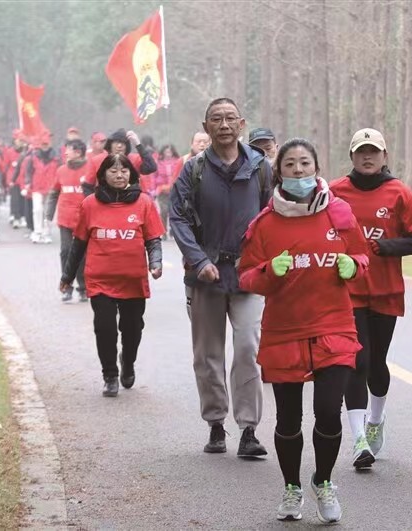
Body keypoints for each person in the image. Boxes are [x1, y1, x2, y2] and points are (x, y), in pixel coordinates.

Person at [239, 138, 368, 523]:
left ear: (316, 167)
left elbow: (362, 255)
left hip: (334, 326)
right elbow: (245, 276)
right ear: (279, 172)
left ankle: (323, 481)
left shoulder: (340, 212)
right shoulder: (264, 223)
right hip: (285, 331)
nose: (298, 171)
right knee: (289, 419)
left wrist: (355, 266)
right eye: (290, 165)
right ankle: (292, 487)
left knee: (329, 412)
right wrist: (267, 272)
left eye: (305, 164)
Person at [169, 97, 271, 457]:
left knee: (247, 348)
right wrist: (198, 261)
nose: (224, 125)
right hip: (205, 277)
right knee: (208, 353)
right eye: (216, 119)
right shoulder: (193, 170)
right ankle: (215, 424)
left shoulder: (261, 168)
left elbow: (273, 216)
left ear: (241, 124)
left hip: (247, 277)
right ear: (206, 126)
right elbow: (178, 219)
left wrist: (262, 262)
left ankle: (249, 430)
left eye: (230, 118)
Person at [330, 128, 412, 468]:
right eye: (361, 152)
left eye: (373, 151)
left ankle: (376, 420)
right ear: (352, 157)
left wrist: (385, 246)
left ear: (385, 156)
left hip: (385, 291)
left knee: (376, 364)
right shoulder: (334, 192)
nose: (367, 157)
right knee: (356, 361)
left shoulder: (399, 192)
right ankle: (359, 438)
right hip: (347, 291)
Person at [60, 154, 164, 396]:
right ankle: (110, 375)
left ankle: (127, 362)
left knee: (133, 329)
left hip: (133, 280)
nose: (119, 175)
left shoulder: (144, 203)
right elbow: (78, 244)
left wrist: (156, 263)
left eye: (124, 171)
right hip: (100, 280)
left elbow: (153, 239)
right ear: (103, 175)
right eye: (113, 171)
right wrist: (67, 277)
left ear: (132, 174)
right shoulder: (89, 204)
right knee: (104, 328)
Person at [46, 139, 90, 303]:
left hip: (84, 221)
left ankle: (83, 288)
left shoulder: (90, 171)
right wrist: (48, 215)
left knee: (82, 256)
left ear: (78, 152)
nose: (65, 153)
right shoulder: (61, 171)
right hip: (65, 220)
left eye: (68, 150)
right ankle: (67, 287)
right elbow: (53, 193)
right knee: (65, 252)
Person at [24, 131, 59, 243]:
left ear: (50, 143)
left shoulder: (56, 157)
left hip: (51, 188)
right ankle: (37, 231)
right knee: (37, 210)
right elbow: (28, 171)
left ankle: (46, 232)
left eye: (46, 143)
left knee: (48, 212)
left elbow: (60, 171)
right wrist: (28, 182)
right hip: (37, 187)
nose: (45, 146)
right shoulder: (33, 156)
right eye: (43, 144)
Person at [88, 129, 158, 177]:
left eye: (123, 143)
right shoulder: (97, 160)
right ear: (110, 145)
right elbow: (88, 186)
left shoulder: (134, 159)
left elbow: (151, 167)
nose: (119, 146)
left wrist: (138, 144)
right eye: (116, 143)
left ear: (127, 147)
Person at [152, 143, 181, 236]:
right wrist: (154, 189)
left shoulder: (178, 161)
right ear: (163, 153)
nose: (168, 154)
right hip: (162, 191)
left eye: (170, 152)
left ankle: (173, 229)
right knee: (164, 211)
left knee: (174, 211)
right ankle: (163, 231)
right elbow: (154, 176)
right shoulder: (158, 162)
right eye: (166, 152)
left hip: (175, 190)